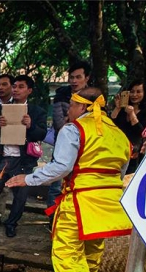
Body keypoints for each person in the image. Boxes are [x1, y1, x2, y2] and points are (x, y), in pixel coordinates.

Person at [6, 88, 131, 272]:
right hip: (107, 205)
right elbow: (121, 169)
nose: (68, 110)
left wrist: (27, 179)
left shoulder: (74, 130)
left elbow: (62, 166)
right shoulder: (118, 133)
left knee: (65, 255)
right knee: (91, 256)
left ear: (83, 107)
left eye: (71, 105)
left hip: (80, 202)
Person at [0, 75, 47, 238]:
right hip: (3, 157)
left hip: (23, 161)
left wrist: (30, 126)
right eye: (15, 86)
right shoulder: (3, 107)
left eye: (21, 87)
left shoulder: (37, 111)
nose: (16, 89)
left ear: (29, 90)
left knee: (20, 196)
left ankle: (11, 224)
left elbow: (42, 134)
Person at [48, 61, 91, 212]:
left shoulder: (94, 96)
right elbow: (60, 123)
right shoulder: (62, 94)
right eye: (71, 77)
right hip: (63, 147)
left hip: (87, 150)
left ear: (87, 78)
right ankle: (53, 220)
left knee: (80, 185)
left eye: (78, 77)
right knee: (56, 185)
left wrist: (71, 120)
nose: (74, 81)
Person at [111, 80, 146, 174]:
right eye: (132, 91)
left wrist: (132, 114)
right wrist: (117, 108)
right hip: (117, 149)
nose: (134, 95)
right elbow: (111, 123)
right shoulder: (122, 108)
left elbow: (141, 132)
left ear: (144, 93)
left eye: (138, 92)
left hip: (134, 153)